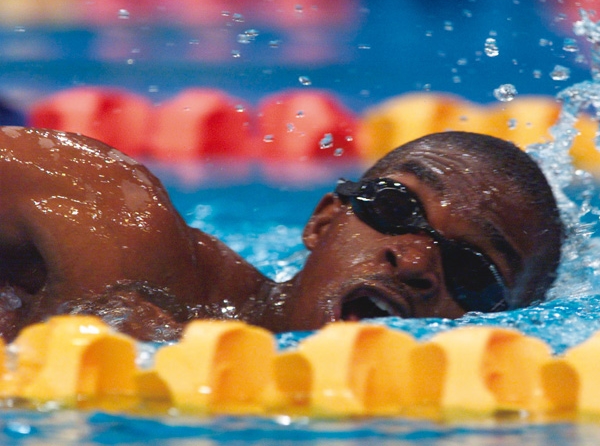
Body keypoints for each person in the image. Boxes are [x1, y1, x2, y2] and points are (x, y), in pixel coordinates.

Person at [0, 126, 563, 341]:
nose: (415, 261)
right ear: (323, 221)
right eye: (397, 208)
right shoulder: (119, 231)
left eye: (473, 268)